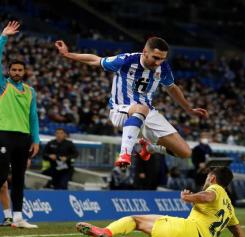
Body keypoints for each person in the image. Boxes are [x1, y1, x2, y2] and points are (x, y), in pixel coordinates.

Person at [55, 37, 208, 168]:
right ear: (145, 52)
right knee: (140, 109)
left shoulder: (163, 68)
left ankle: (149, 147)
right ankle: (124, 154)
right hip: (120, 110)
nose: (158, 62)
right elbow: (96, 60)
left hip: (147, 112)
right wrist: (68, 54)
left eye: (162, 59)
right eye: (156, 58)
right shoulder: (126, 60)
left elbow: (172, 88)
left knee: (185, 152)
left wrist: (189, 109)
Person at [76, 167, 244, 237]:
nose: (207, 180)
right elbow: (240, 236)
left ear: (213, 178)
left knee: (136, 220)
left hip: (188, 231)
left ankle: (105, 231)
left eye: (208, 177)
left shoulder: (216, 189)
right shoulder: (230, 208)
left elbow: (208, 196)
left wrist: (189, 197)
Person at [0, 21, 40, 228]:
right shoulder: (0, 85)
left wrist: (36, 139)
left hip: (23, 137)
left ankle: (18, 217)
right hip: (3, 134)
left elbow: (33, 118)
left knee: (20, 179)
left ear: (24, 71)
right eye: (13, 69)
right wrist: (3, 37)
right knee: (1, 175)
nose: (16, 72)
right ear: (9, 71)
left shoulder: (30, 91)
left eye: (19, 69)